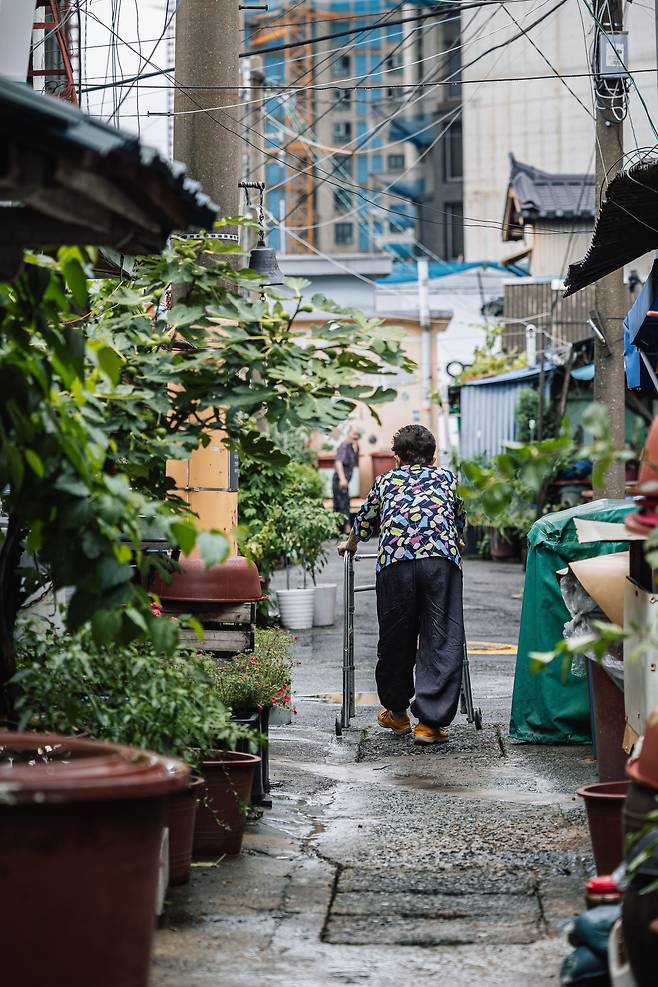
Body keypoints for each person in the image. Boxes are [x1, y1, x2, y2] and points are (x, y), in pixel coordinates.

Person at [338, 423, 466, 745]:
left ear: (397, 457)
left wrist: (351, 544)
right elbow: (458, 517)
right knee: (440, 636)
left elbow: (364, 518)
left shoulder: (386, 480)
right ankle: (430, 724)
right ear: (433, 456)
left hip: (395, 563)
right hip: (440, 561)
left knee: (396, 637)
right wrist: (457, 539)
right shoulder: (447, 478)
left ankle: (396, 713)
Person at [333, 423, 361, 534]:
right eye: (354, 433)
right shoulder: (344, 445)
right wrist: (342, 479)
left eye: (357, 434)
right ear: (348, 434)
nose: (356, 436)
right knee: (340, 503)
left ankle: (344, 527)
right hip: (340, 480)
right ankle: (344, 527)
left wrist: (355, 441)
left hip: (345, 480)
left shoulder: (352, 446)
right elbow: (338, 462)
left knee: (345, 502)